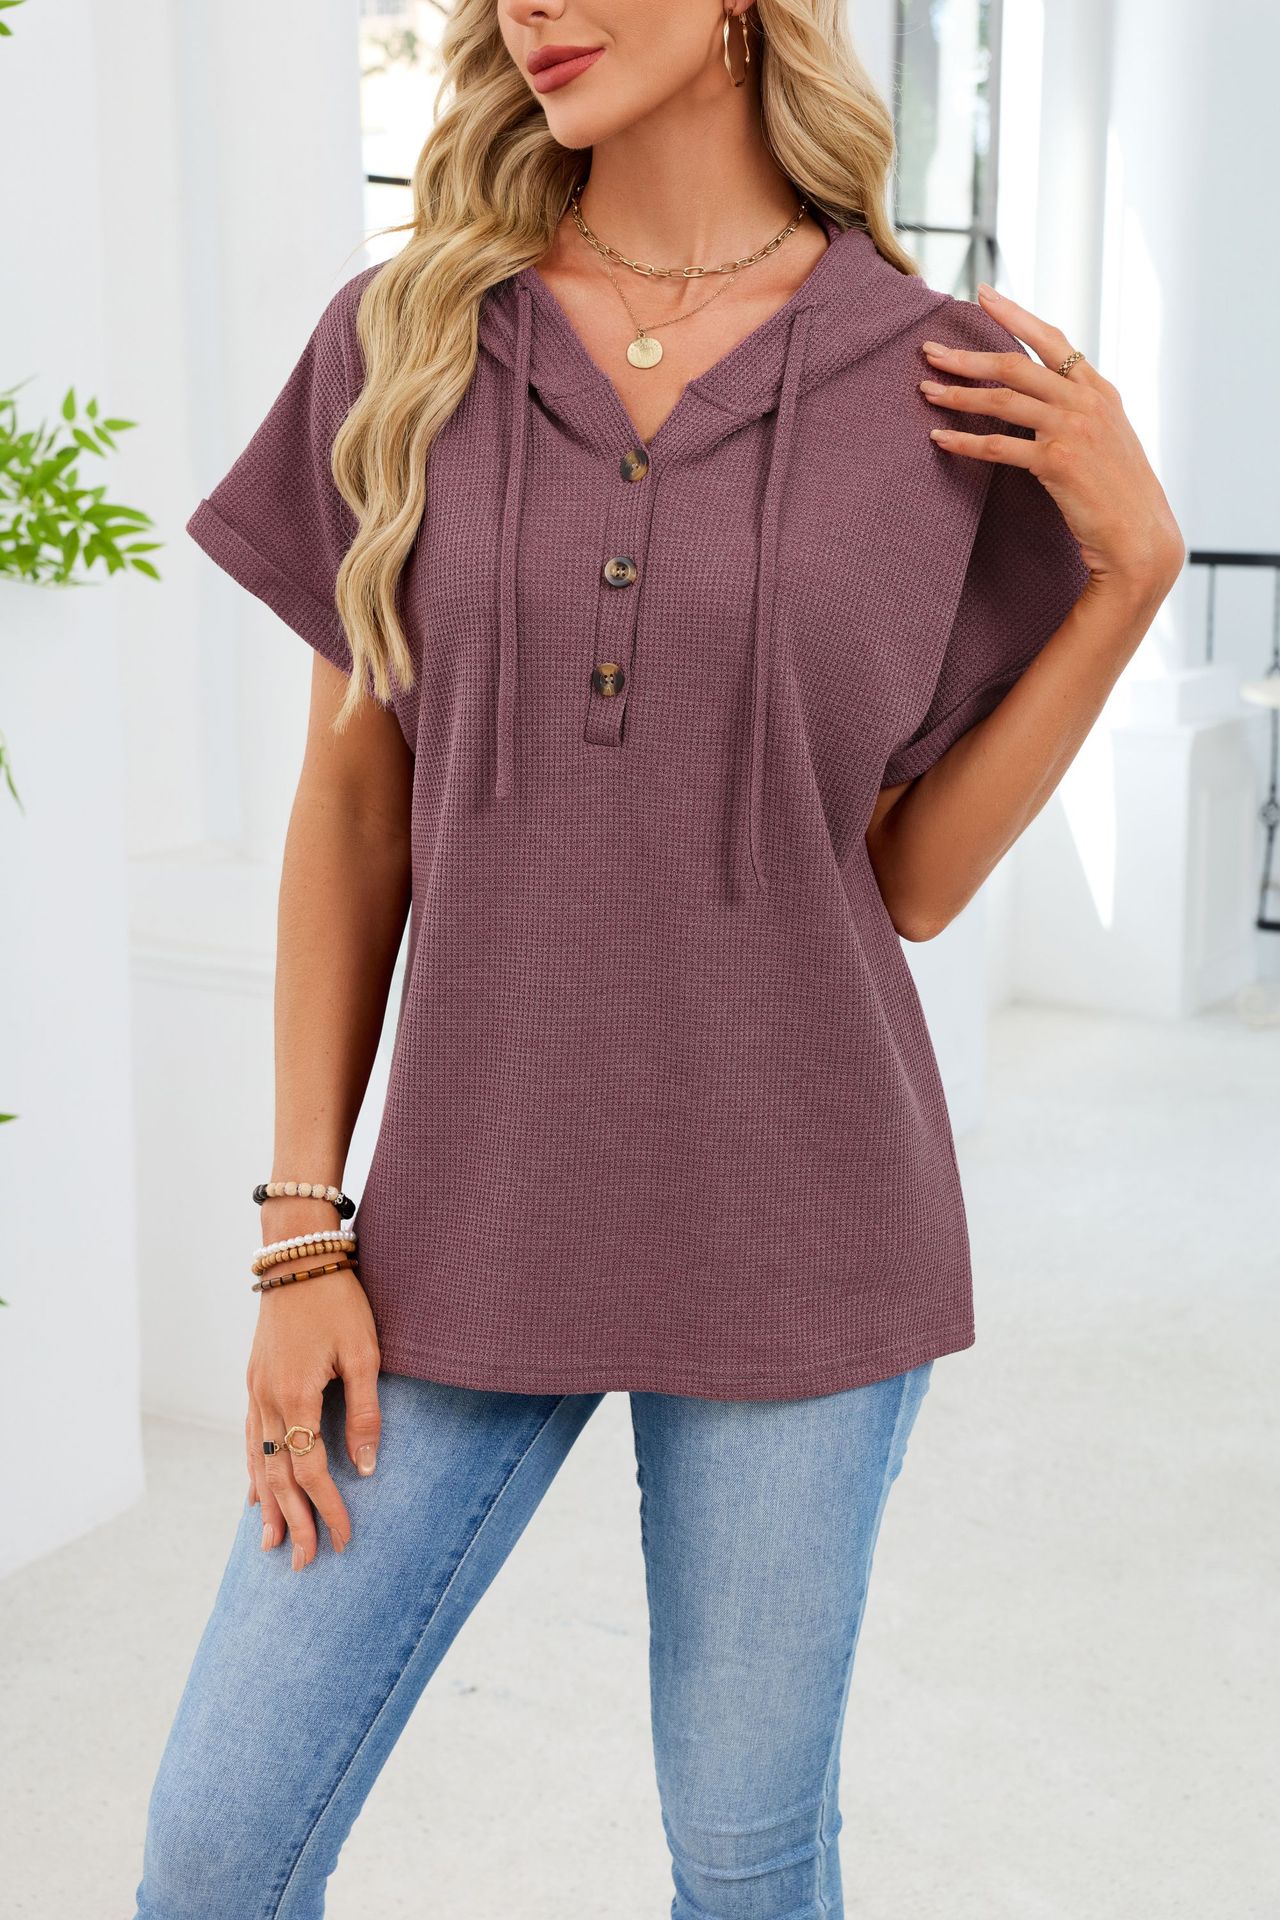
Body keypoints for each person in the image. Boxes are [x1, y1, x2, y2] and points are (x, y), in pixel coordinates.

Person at [133, 1, 1183, 1914]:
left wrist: (1130, 581)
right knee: (215, 1848)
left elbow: (910, 881)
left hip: (804, 1227)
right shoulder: (404, 338)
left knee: (746, 1864)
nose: (528, 7)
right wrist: (300, 1229)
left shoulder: (938, 379)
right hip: (460, 1225)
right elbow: (353, 812)